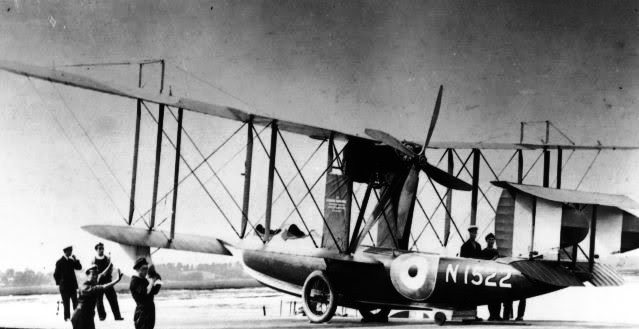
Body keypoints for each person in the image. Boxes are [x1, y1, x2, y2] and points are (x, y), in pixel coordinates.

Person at [92, 242, 123, 321]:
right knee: (99, 300)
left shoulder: (107, 259)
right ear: (96, 250)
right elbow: (93, 272)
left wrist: (109, 272)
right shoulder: (94, 260)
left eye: (102, 248)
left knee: (113, 298)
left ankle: (117, 316)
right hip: (98, 283)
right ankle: (102, 316)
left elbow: (111, 268)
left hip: (108, 282)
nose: (101, 250)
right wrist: (99, 276)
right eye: (100, 248)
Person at [130, 257, 162, 329]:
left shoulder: (145, 280)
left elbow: (154, 291)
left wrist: (158, 280)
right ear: (137, 269)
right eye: (143, 269)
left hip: (150, 311)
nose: (146, 271)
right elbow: (146, 292)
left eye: (146, 269)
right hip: (142, 313)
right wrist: (152, 282)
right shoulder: (135, 281)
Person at [53, 245, 82, 321]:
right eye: (69, 251)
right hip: (64, 288)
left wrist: (76, 260)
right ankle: (67, 321)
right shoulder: (59, 262)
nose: (71, 252)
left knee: (75, 304)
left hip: (72, 287)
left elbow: (79, 267)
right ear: (65, 251)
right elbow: (56, 274)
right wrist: (60, 283)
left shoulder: (71, 261)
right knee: (66, 306)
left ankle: (77, 320)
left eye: (71, 251)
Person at [481, 233, 501, 321]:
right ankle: (492, 315)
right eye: (490, 239)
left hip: (496, 276)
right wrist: (492, 260)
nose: (491, 241)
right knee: (490, 297)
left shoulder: (496, 251)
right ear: (486, 241)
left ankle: (497, 315)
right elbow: (482, 263)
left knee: (498, 297)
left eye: (493, 239)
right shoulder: (484, 252)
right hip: (487, 277)